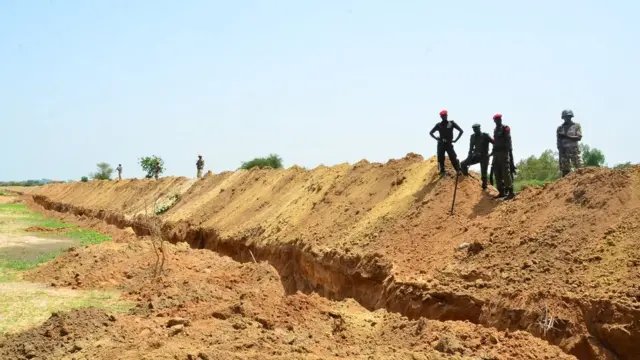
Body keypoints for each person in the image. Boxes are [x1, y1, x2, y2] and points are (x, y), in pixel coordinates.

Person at [429, 110, 463, 177]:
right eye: (442, 116)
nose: (444, 117)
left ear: (447, 115)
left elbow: (461, 131)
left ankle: (458, 170)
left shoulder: (451, 123)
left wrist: (456, 140)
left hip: (449, 144)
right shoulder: (438, 125)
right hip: (441, 144)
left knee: (453, 157)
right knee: (441, 158)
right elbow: (431, 132)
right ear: (441, 117)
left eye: (445, 115)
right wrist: (436, 138)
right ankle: (442, 172)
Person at [461, 124, 494, 189]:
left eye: (476, 128)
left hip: (484, 156)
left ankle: (484, 186)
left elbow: (494, 143)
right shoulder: (472, 137)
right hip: (475, 156)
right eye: (474, 129)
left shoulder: (485, 135)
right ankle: (466, 179)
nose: (475, 130)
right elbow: (470, 148)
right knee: (463, 164)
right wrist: (469, 157)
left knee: (484, 174)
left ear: (479, 128)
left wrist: (491, 153)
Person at [491, 113, 515, 199]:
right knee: (497, 172)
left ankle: (511, 191)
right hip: (496, 153)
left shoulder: (505, 128)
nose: (498, 121)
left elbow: (508, 141)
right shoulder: (495, 130)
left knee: (505, 172)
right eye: (496, 120)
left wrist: (509, 153)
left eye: (499, 119)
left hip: (504, 152)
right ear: (494, 121)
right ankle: (501, 192)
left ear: (501, 119)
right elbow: (495, 142)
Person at [557, 109, 583, 177]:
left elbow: (579, 137)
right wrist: (561, 153)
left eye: (568, 116)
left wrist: (566, 136)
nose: (567, 118)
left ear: (571, 117)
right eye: (565, 117)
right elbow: (559, 143)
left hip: (574, 149)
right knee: (565, 170)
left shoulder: (576, 125)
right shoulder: (560, 128)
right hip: (564, 150)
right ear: (563, 118)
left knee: (579, 167)